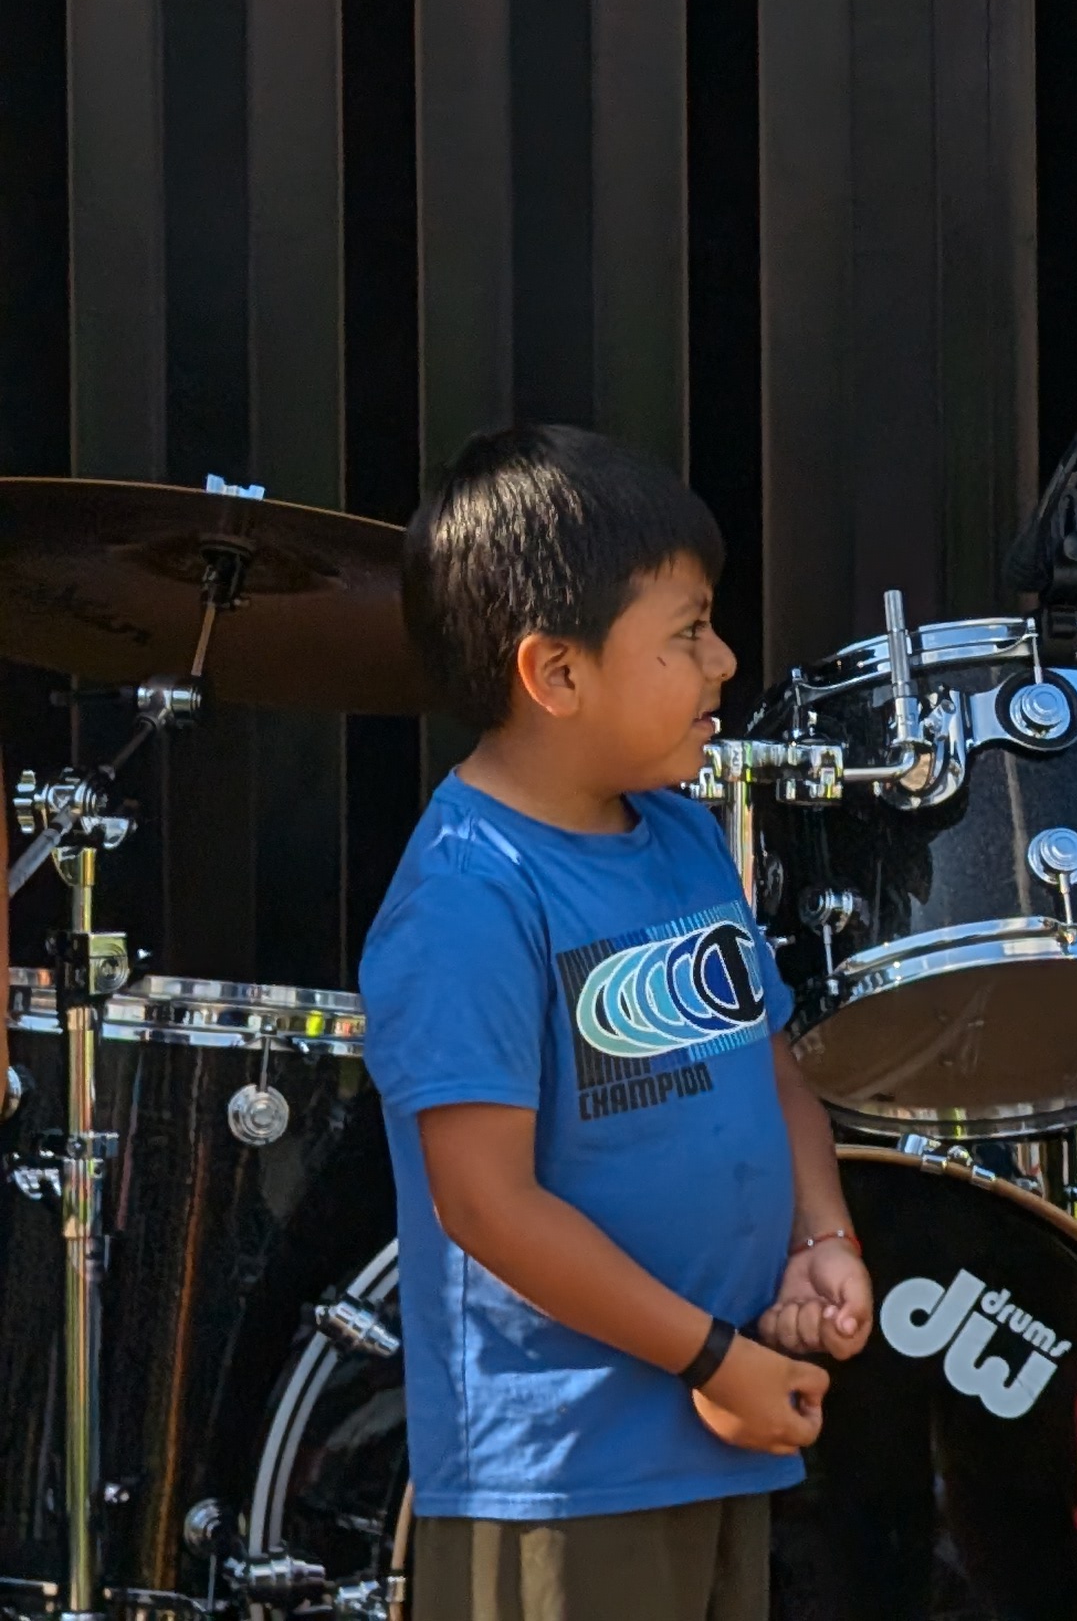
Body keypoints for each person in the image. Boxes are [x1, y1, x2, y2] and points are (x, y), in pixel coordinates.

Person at [363, 425, 875, 1621]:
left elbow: (769, 1064)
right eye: (687, 634)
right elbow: (487, 1203)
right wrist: (713, 1356)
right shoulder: (468, 895)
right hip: (558, 1478)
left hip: (723, 1433)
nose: (725, 662)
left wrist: (824, 1238)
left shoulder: (684, 832)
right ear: (557, 674)